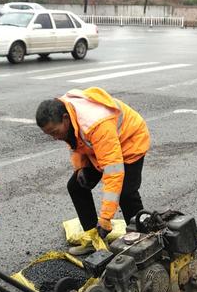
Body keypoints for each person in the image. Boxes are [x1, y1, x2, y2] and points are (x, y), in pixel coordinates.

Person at [35, 87, 150, 255]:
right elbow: (76, 141)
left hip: (129, 142)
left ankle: (142, 241)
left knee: (126, 193)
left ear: (65, 119)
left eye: (54, 132)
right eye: (49, 134)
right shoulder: (65, 111)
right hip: (99, 148)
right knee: (76, 186)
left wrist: (105, 219)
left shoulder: (95, 124)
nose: (54, 137)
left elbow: (113, 172)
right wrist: (81, 167)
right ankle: (93, 239)